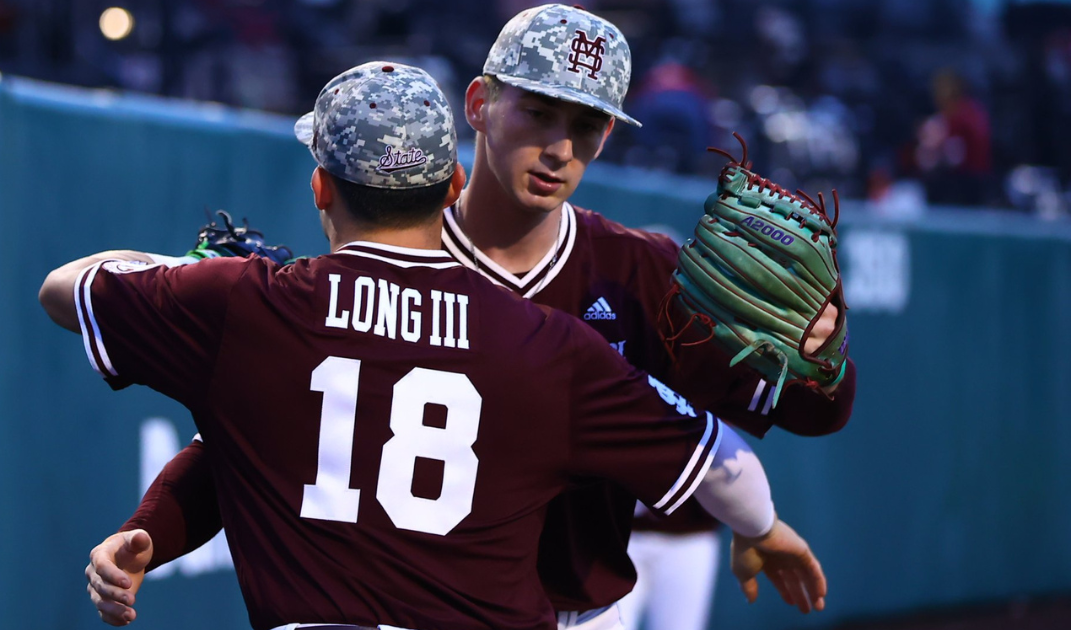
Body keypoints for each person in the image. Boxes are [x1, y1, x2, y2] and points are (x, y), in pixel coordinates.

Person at [86, 5, 856, 630]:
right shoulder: (377, 251)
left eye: (585, 125)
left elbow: (793, 409)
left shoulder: (640, 273)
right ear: (481, 105)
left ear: (609, 134)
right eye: (539, 111)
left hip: (582, 613)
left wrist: (822, 360)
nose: (558, 146)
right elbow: (260, 432)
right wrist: (156, 526)